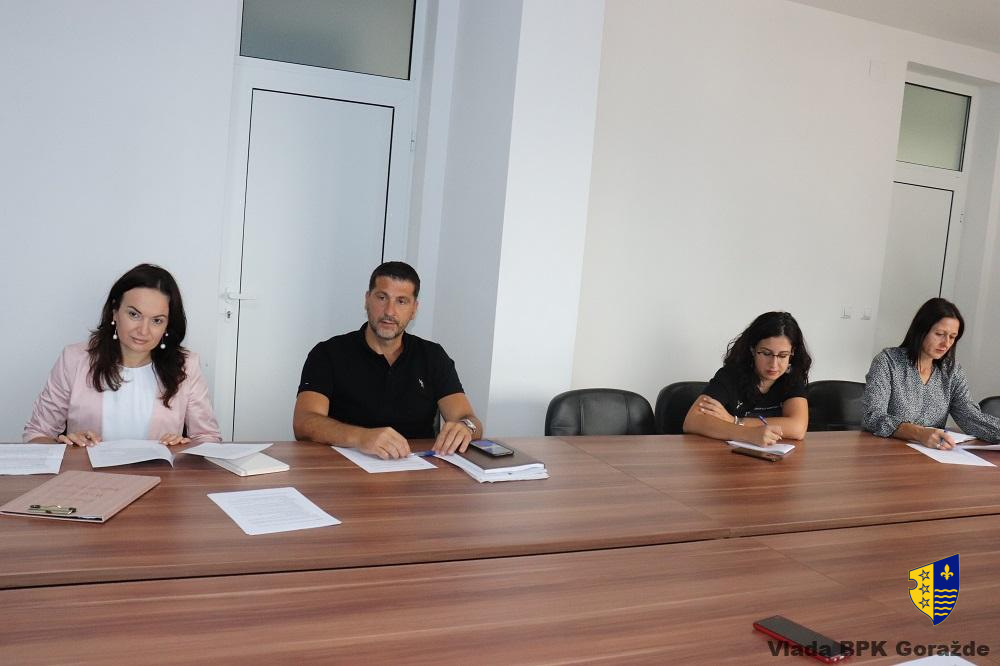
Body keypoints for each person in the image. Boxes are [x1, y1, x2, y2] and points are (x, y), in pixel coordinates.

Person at [293, 261, 483, 460]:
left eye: (402, 301)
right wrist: (361, 437)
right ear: (367, 300)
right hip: (344, 469)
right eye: (382, 297)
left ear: (414, 309)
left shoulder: (432, 356)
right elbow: (304, 423)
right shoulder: (328, 353)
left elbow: (472, 421)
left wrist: (465, 427)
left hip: (416, 469)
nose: (390, 311)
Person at [24, 264, 221, 446]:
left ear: (167, 325)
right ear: (114, 312)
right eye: (134, 314)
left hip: (159, 474)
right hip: (86, 473)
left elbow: (208, 438)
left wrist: (181, 449)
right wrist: (67, 449)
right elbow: (36, 434)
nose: (143, 331)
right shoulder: (73, 359)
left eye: (157, 320)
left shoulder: (186, 365)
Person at [862, 297, 1000, 449]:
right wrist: (919, 433)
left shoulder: (952, 371)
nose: (946, 343)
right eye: (939, 334)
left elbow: (969, 417)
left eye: (952, 337)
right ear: (921, 330)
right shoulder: (888, 362)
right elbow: (872, 416)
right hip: (886, 452)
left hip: (933, 454)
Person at [683, 311, 811, 445]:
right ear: (752, 349)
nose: (774, 364)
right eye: (766, 353)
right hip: (728, 455)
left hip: (776, 455)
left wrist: (735, 421)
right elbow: (692, 421)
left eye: (783, 355)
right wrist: (748, 434)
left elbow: (798, 428)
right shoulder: (730, 376)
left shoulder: (791, 377)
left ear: (792, 353)